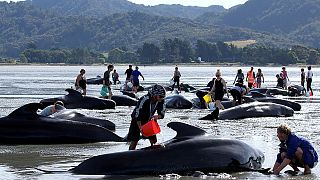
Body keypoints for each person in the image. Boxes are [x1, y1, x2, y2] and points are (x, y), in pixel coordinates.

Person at [127, 84, 166, 150]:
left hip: (148, 120)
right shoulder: (145, 99)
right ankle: (130, 154)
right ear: (155, 95)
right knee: (134, 140)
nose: (162, 98)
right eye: (160, 96)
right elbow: (137, 114)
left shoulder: (161, 101)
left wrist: (157, 116)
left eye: (163, 96)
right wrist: (141, 128)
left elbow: (162, 113)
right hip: (137, 121)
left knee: (154, 140)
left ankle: (153, 153)